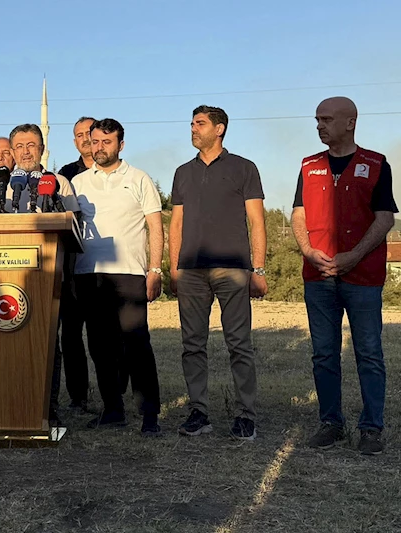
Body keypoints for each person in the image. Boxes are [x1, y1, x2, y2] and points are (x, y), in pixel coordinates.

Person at [291, 97, 397, 455]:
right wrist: (308, 251)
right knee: (323, 354)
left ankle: (371, 429)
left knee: (369, 353)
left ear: (350, 122)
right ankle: (331, 423)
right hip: (317, 275)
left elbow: (385, 218)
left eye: (326, 119)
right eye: (317, 119)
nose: (319, 125)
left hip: (362, 277)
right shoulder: (309, 166)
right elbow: (299, 214)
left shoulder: (376, 164)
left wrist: (354, 255)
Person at [169, 105, 267, 441]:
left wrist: (258, 269)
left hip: (233, 268)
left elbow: (257, 222)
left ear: (219, 128)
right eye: (191, 123)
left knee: (239, 344)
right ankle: (199, 412)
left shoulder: (244, 168)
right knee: (192, 345)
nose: (193, 128)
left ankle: (246, 415)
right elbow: (176, 224)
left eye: (200, 123)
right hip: (191, 270)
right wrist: (174, 268)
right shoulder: (183, 172)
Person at [0, 124, 80, 426]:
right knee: (6, 344)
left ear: (42, 149)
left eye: (32, 145)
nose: (26, 152)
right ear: (12, 152)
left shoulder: (59, 183)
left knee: (47, 343)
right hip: (6, 283)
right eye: (20, 146)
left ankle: (46, 407)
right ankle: (4, 403)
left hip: (49, 278)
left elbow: (73, 227)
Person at [72, 119, 163, 435]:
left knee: (136, 344)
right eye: (95, 141)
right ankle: (113, 410)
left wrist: (155, 269)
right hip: (89, 274)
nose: (99, 147)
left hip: (129, 274)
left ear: (120, 145)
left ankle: (149, 415)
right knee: (99, 346)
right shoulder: (78, 183)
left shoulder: (139, 179)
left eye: (106, 142)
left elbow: (155, 226)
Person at [57, 116, 96, 412]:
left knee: (104, 334)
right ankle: (77, 396)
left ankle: (114, 394)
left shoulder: (116, 170)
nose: (85, 138)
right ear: (74, 141)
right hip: (71, 266)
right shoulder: (65, 175)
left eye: (89, 133)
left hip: (104, 263)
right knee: (70, 335)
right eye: (79, 134)